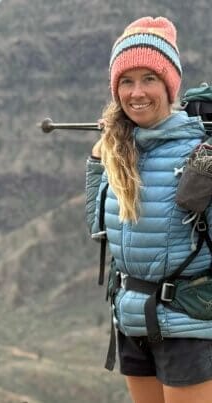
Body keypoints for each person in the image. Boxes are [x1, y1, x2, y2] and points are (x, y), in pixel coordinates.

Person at [85, 16, 212, 403]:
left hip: (188, 329)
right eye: (126, 81)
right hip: (133, 321)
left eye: (149, 79)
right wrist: (97, 163)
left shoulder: (201, 154)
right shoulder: (120, 149)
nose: (136, 92)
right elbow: (100, 230)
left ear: (169, 86)